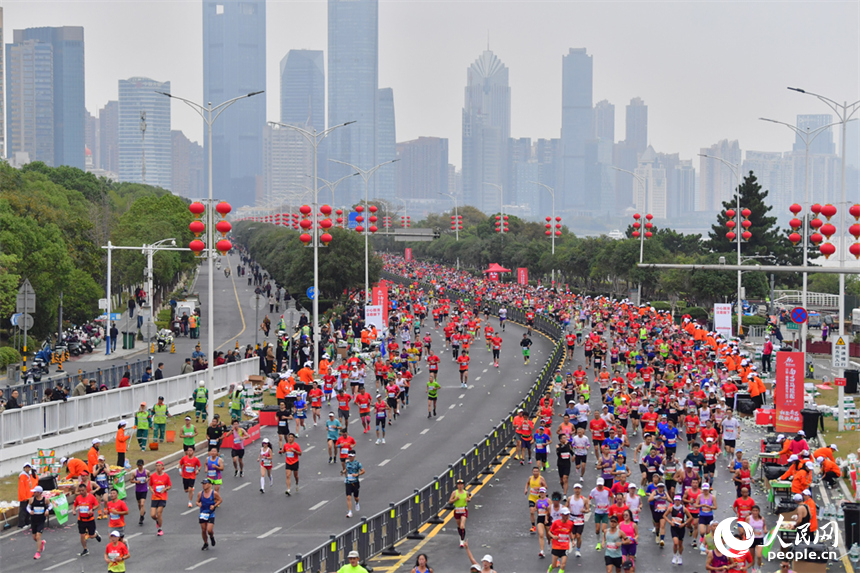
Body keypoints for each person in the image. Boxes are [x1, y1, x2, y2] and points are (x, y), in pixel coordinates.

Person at [73, 482, 101, 556]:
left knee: (91, 536)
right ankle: (85, 549)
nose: (81, 492)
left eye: (83, 490)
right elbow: (75, 505)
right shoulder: (78, 498)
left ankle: (95, 535)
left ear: (86, 490)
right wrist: (73, 510)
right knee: (82, 535)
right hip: (81, 520)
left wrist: (92, 510)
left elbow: (97, 505)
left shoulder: (91, 497)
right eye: (80, 491)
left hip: (90, 519)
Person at [26, 485, 51, 559]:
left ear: (39, 493)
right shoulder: (32, 500)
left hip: (41, 520)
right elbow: (27, 507)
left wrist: (47, 510)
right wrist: (30, 511)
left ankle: (38, 552)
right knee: (35, 538)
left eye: (35, 492)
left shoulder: (45, 500)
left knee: (38, 535)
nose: (33, 493)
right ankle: (41, 543)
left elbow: (51, 506)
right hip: (34, 520)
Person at [547, 506, 574, 572]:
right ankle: (550, 569)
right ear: (561, 515)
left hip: (565, 547)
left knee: (563, 565)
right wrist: (553, 536)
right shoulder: (556, 523)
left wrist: (573, 540)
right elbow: (549, 532)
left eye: (567, 515)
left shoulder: (570, 523)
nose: (566, 517)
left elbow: (570, 532)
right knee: (554, 565)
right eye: (564, 515)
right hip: (556, 546)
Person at [197, 478, 222, 550]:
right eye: (203, 484)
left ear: (210, 485)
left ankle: (211, 536)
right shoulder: (200, 493)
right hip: (203, 513)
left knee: (209, 530)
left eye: (205, 484)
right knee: (203, 529)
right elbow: (197, 502)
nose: (204, 485)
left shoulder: (214, 493)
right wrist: (198, 504)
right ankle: (205, 543)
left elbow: (220, 500)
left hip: (210, 514)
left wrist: (214, 505)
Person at [149, 461, 171, 536]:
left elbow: (169, 486)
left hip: (162, 497)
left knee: (159, 513)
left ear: (162, 467)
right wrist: (151, 490)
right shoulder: (152, 476)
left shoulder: (166, 476)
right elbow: (150, 485)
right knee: (152, 515)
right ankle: (157, 521)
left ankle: (160, 529)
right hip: (154, 497)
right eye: (156, 466)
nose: (158, 467)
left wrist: (165, 489)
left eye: (159, 466)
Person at [668, 494, 692, 565]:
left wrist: (684, 524)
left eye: (678, 501)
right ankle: (674, 555)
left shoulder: (684, 509)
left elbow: (690, 517)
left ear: (680, 501)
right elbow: (664, 515)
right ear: (674, 501)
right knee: (675, 543)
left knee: (680, 544)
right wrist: (670, 522)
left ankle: (680, 556)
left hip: (681, 528)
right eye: (676, 501)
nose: (677, 502)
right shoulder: (671, 508)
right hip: (674, 527)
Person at [448, 479, 472, 548]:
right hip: (457, 510)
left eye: (461, 484)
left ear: (463, 485)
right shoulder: (454, 493)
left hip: (464, 510)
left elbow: (469, 499)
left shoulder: (466, 492)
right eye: (459, 484)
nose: (460, 486)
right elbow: (450, 501)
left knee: (462, 525)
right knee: (459, 526)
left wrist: (468, 500)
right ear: (457, 485)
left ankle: (462, 540)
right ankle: (461, 535)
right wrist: (456, 499)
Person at [344, 450, 364, 518]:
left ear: (354, 456)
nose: (350, 458)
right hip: (348, 482)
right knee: (348, 497)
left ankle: (357, 502)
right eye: (349, 456)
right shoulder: (346, 462)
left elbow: (363, 471)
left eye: (351, 457)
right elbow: (346, 469)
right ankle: (350, 512)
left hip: (355, 483)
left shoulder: (358, 463)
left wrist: (357, 474)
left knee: (356, 497)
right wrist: (343, 472)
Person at [17, 463, 38, 528]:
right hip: (24, 496)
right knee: (23, 511)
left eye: (28, 467)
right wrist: (24, 497)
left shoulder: (27, 475)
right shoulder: (23, 476)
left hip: (27, 496)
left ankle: (26, 522)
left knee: (27, 509)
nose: (27, 469)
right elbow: (22, 488)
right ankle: (21, 524)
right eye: (26, 467)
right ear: (24, 468)